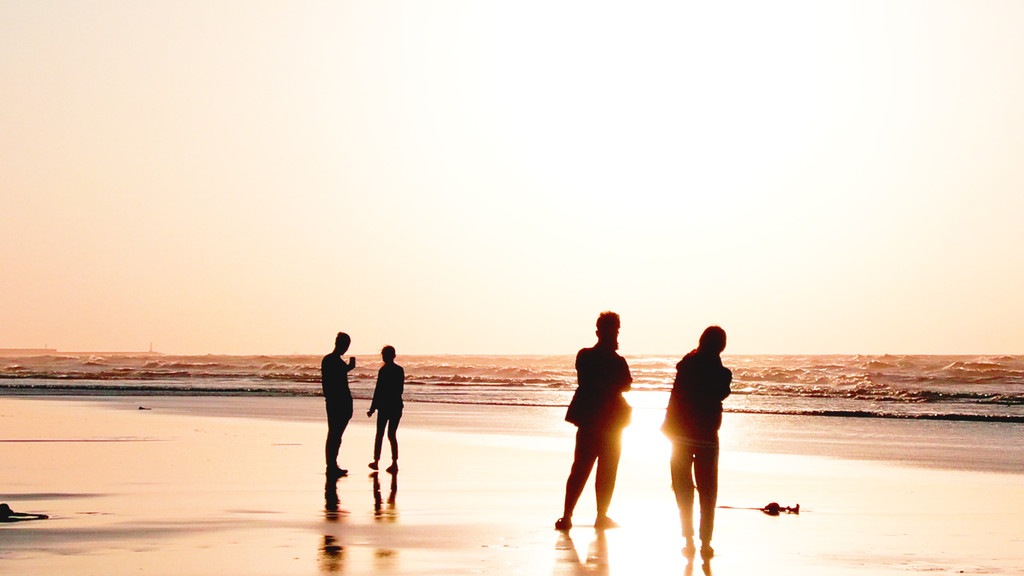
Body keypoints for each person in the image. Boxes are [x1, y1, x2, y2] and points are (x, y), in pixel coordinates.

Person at [555, 311, 633, 531]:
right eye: (615, 332)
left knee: (581, 468)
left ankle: (569, 515)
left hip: (591, 420)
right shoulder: (615, 360)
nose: (616, 336)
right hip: (609, 422)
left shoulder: (585, 356)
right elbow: (626, 384)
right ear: (604, 332)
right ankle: (598, 516)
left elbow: (590, 382)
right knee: (604, 470)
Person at [662, 326, 731, 560]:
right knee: (708, 490)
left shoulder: (686, 365)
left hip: (680, 434)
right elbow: (721, 393)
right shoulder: (722, 374)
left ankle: (689, 539)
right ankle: (706, 541)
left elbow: (675, 398)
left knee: (682, 487)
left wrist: (667, 428)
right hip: (706, 437)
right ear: (721, 347)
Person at [322, 332, 356, 477]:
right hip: (337, 400)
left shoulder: (330, 360)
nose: (346, 348)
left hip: (335, 400)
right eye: (345, 345)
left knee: (334, 434)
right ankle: (331, 464)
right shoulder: (331, 360)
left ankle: (332, 463)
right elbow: (334, 378)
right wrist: (349, 367)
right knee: (335, 434)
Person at [367, 345, 404, 474]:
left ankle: (378, 461)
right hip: (395, 405)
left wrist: (373, 407)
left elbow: (379, 390)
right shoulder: (399, 370)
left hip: (385, 406)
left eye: (384, 355)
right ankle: (393, 462)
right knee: (391, 434)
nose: (384, 357)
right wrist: (373, 407)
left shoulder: (384, 371)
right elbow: (399, 389)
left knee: (381, 434)